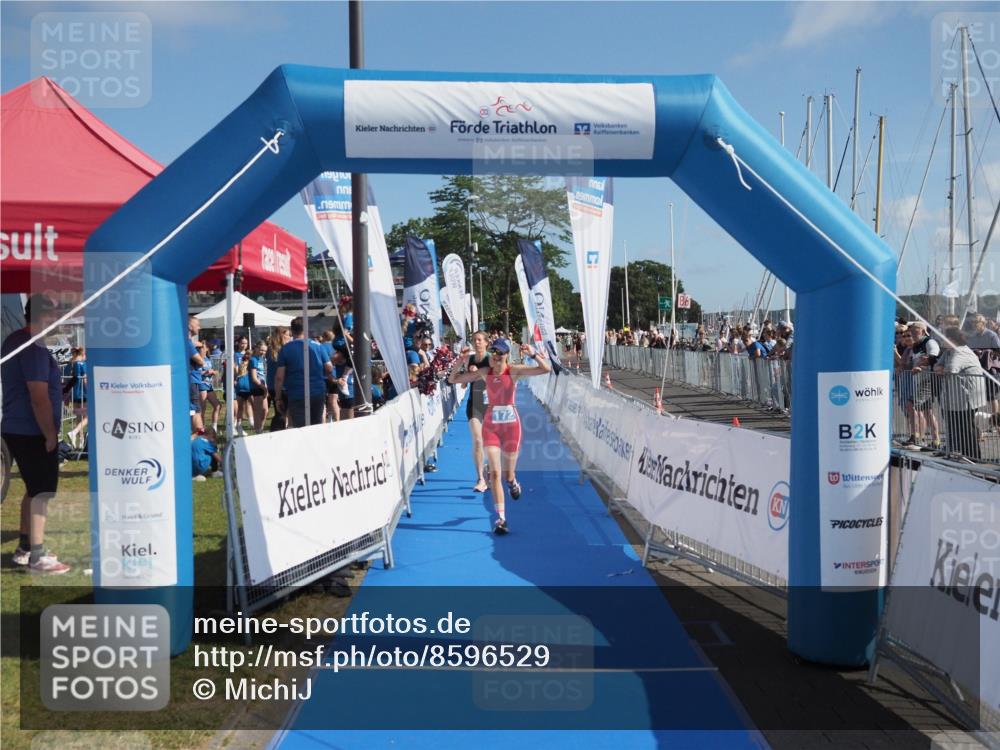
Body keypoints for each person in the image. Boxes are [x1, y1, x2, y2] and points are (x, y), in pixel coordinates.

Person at [447, 339, 551, 535]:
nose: (496, 355)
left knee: (507, 475)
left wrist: (533, 354)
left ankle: (513, 482)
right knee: (495, 474)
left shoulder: (513, 371)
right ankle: (501, 519)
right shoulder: (485, 372)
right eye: (493, 351)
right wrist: (460, 361)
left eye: (500, 353)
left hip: (511, 427)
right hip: (492, 427)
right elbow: (453, 380)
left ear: (506, 355)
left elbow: (545, 369)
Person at [1, 295, 71, 573]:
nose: (59, 320)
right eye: (56, 314)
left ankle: (26, 548)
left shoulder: (16, 340)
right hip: (32, 431)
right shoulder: (33, 348)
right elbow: (38, 397)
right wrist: (51, 434)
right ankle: (37, 557)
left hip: (17, 427)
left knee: (33, 489)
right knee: (42, 491)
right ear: (46, 315)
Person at [935, 327, 986, 460]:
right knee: (955, 427)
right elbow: (937, 366)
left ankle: (974, 457)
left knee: (966, 429)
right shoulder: (948, 352)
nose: (941, 340)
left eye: (943, 337)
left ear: (951, 339)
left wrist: (942, 370)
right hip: (954, 398)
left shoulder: (961, 352)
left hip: (966, 398)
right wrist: (940, 369)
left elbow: (951, 369)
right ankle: (959, 454)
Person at [274, 317, 332, 428]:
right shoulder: (318, 346)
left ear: (292, 330)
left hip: (296, 393)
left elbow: (279, 377)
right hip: (317, 391)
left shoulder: (285, 349)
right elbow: (329, 368)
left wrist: (278, 397)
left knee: (300, 428)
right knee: (317, 426)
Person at [459, 331, 491, 492]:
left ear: (486, 343)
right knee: (478, 440)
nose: (476, 342)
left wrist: (477, 373)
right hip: (474, 403)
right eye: (474, 340)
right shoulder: (471, 359)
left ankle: (491, 470)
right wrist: (468, 374)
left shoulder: (492, 359)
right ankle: (480, 478)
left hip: (491, 404)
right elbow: (464, 384)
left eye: (479, 340)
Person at [266, 327, 291, 431]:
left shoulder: (271, 349)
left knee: (280, 413)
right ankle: (276, 434)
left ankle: (276, 433)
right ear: (282, 336)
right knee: (282, 413)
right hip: (281, 385)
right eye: (288, 335)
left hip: (272, 385)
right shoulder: (282, 350)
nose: (290, 337)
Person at [64, 347, 88, 448]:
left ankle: (80, 441)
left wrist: (67, 395)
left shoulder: (69, 365)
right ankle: (74, 432)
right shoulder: (82, 364)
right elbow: (85, 380)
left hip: (74, 394)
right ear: (82, 354)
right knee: (88, 417)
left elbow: (66, 382)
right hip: (83, 393)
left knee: (79, 417)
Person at [188, 315, 205, 432]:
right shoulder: (188, 343)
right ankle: (200, 437)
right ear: (190, 326)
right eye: (197, 325)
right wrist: (203, 351)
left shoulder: (189, 343)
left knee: (192, 409)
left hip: (191, 380)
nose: (199, 328)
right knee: (195, 410)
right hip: (192, 380)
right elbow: (201, 361)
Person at [248, 341, 269, 432]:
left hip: (263, 386)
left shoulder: (262, 359)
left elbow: (263, 374)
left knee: (265, 410)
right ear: (256, 348)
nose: (263, 352)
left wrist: (266, 386)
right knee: (258, 410)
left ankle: (261, 427)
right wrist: (264, 388)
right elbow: (254, 378)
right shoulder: (253, 360)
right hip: (257, 387)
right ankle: (258, 429)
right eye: (261, 350)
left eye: (264, 351)